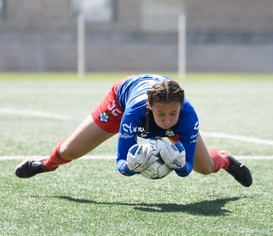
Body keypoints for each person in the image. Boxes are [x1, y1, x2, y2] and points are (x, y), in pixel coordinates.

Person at [15, 74, 252, 187]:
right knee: (70, 150)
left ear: (181, 108)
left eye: (173, 114)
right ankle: (45, 164)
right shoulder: (133, 113)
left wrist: (180, 166)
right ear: (150, 107)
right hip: (120, 100)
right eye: (161, 114)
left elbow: (187, 168)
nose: (168, 120)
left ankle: (226, 160)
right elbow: (121, 161)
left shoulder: (188, 117)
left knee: (206, 168)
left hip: (158, 108)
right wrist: (129, 167)